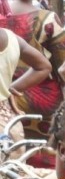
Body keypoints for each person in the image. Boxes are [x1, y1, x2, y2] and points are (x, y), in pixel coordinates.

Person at [5, 0, 65, 141]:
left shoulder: (1, 20)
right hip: (43, 105)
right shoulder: (47, 19)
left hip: (5, 105)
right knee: (46, 162)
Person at [0, 27, 51, 158]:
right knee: (12, 174)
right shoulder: (11, 38)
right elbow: (44, 66)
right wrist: (9, 89)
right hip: (8, 125)